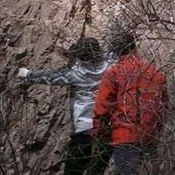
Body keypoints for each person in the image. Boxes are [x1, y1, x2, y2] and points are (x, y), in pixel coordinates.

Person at [17, 37, 113, 175]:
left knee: (73, 169)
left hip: (84, 129)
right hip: (106, 127)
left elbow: (51, 77)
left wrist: (27, 74)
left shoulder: (76, 74)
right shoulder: (110, 66)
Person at [92, 31, 168, 175]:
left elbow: (102, 108)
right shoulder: (156, 73)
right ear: (134, 46)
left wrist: (99, 134)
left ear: (115, 51)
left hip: (125, 136)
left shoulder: (114, 73)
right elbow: (164, 108)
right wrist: (156, 133)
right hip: (149, 137)